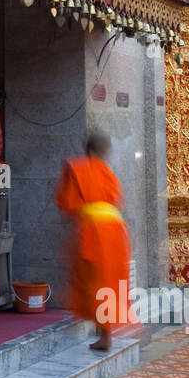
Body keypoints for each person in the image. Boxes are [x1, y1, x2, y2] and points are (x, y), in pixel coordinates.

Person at [55, 130, 135, 351]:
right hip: (117, 231)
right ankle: (105, 335)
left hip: (94, 232)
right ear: (105, 151)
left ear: (87, 150)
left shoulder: (78, 169)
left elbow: (67, 203)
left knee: (93, 282)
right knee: (108, 281)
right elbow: (118, 200)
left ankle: (104, 337)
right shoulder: (108, 172)